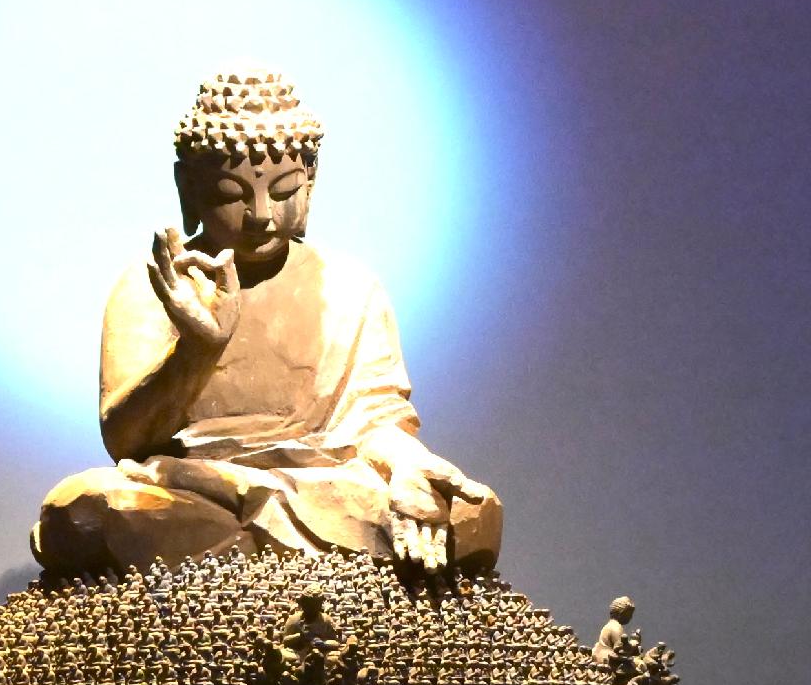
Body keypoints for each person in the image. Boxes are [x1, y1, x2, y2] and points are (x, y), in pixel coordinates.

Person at [33, 68, 501, 580]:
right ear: (187, 186)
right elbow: (126, 441)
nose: (261, 215)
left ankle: (246, 548)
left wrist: (408, 465)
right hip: (190, 484)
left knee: (473, 514)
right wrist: (196, 350)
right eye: (234, 193)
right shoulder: (154, 285)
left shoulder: (348, 285)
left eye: (282, 190)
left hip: (324, 485)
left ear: (311, 180)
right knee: (81, 511)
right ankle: (290, 551)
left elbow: (375, 421)